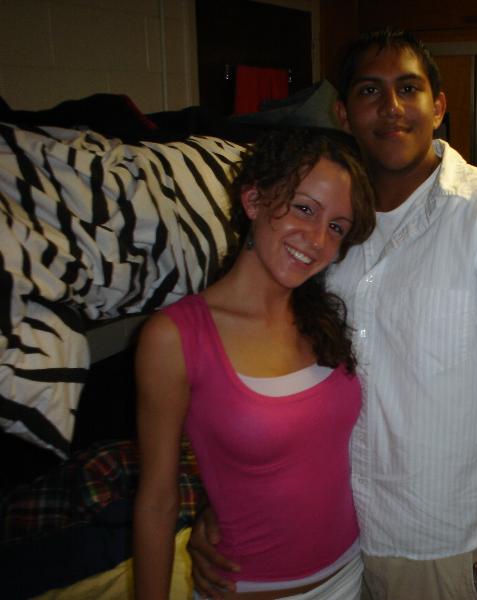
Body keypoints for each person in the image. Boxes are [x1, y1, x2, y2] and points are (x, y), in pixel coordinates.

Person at [188, 27, 477, 600]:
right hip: (333, 538)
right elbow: (263, 379)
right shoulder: (327, 232)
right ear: (344, 114)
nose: (391, 106)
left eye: (409, 88)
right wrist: (221, 506)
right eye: (370, 91)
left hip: (439, 547)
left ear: (438, 107)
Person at [133, 127, 376, 600]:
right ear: (254, 200)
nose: (317, 239)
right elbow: (157, 501)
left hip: (352, 574)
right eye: (304, 208)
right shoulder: (175, 337)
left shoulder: (324, 318)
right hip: (254, 588)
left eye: (336, 227)